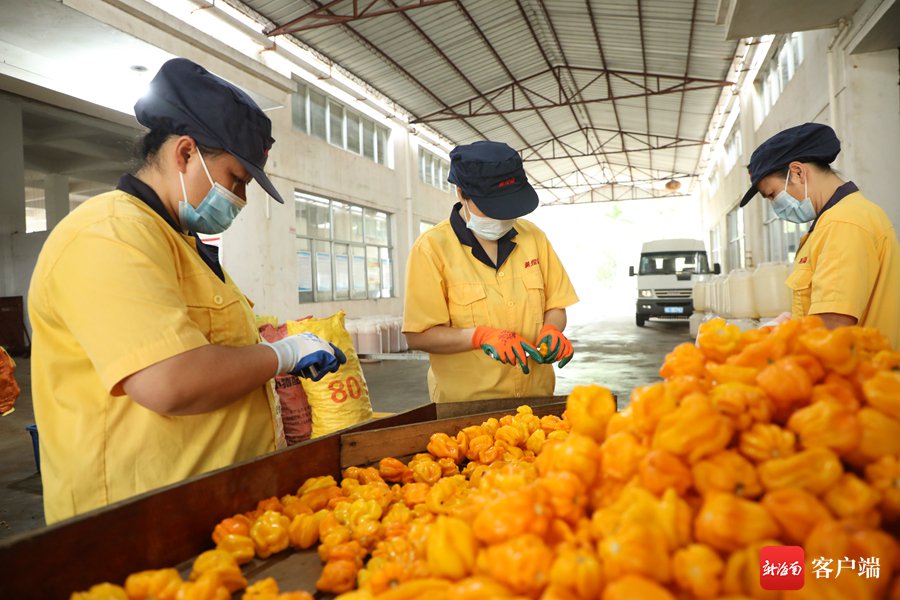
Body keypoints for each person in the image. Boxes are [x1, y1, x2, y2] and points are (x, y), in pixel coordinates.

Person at [28, 58, 346, 524]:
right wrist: (283, 355)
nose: (239, 197)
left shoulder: (180, 242)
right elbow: (170, 381)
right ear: (184, 154)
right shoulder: (108, 234)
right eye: (235, 179)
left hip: (210, 512)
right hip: (138, 527)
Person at [402, 141, 578, 403]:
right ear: (462, 193)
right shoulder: (432, 249)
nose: (503, 217)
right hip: (466, 407)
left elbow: (555, 305)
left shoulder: (534, 238)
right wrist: (479, 336)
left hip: (536, 398)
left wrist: (552, 330)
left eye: (509, 207)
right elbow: (418, 335)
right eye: (492, 207)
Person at [740, 122, 899, 347]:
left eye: (772, 194)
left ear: (797, 172)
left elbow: (832, 326)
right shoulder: (837, 218)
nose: (775, 205)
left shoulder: (843, 223)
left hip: (855, 376)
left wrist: (778, 341)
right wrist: (795, 324)